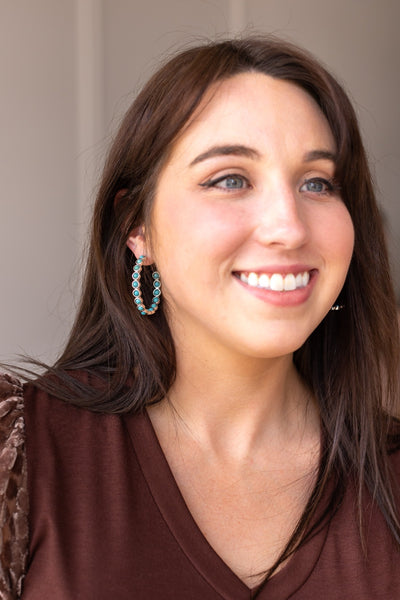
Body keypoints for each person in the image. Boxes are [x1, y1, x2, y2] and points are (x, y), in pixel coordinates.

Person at [1, 36, 400, 599]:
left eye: (318, 183)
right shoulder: (18, 457)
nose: (288, 227)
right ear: (135, 227)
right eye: (231, 179)